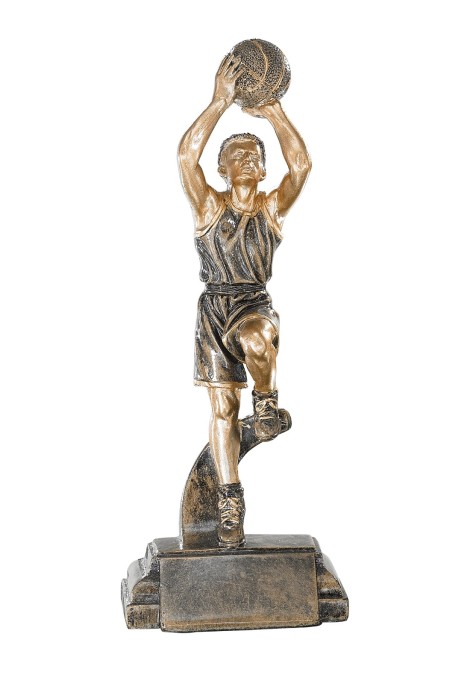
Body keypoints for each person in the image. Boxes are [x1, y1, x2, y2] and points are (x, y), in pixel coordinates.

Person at [178, 53, 311, 547]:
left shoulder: (271, 208)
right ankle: (230, 499)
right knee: (223, 410)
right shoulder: (209, 207)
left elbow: (301, 165)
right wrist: (219, 102)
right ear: (223, 168)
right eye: (238, 155)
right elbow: (185, 158)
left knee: (257, 339)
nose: (249, 159)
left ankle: (268, 401)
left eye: (256, 155)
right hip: (214, 310)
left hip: (253, 302)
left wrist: (272, 111)